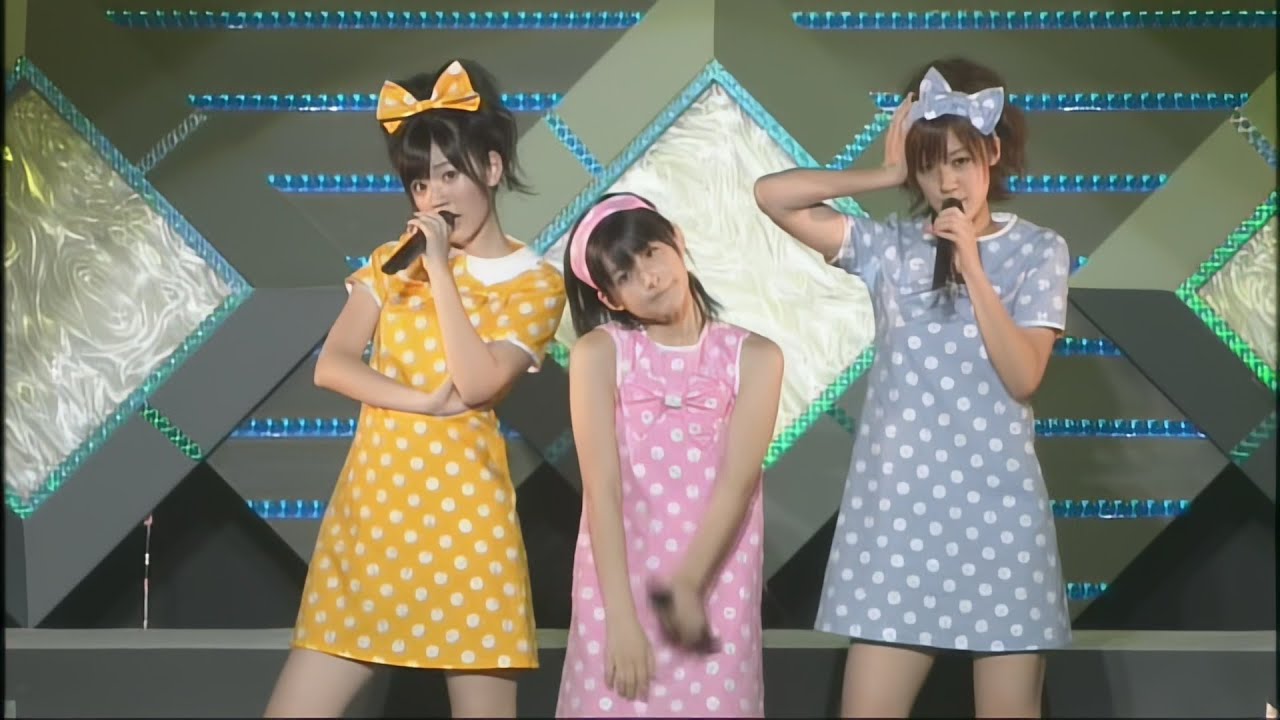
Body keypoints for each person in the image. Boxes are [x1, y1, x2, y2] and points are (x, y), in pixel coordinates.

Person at [755, 58, 1072, 718]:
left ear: (992, 153)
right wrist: (883, 174)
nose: (947, 182)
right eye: (929, 167)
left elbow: (1023, 375)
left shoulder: (1040, 250)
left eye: (959, 161)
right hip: (898, 519)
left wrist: (973, 266)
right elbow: (772, 195)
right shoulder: (888, 246)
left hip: (1000, 518)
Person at [264, 59, 566, 718]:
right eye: (420, 183)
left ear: (492, 168)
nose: (434, 198)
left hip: (467, 529)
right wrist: (419, 401)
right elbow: (333, 364)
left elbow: (478, 381)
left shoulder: (536, 282)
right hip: (371, 520)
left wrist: (442, 271)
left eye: (450, 175)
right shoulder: (389, 265)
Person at [554, 193, 784, 717]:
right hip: (616, 590)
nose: (650, 277)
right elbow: (602, 490)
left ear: (677, 240)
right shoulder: (599, 354)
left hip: (715, 587)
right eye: (626, 275)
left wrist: (686, 586)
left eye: (652, 253)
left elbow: (737, 483)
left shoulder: (756, 357)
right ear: (610, 298)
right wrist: (620, 618)